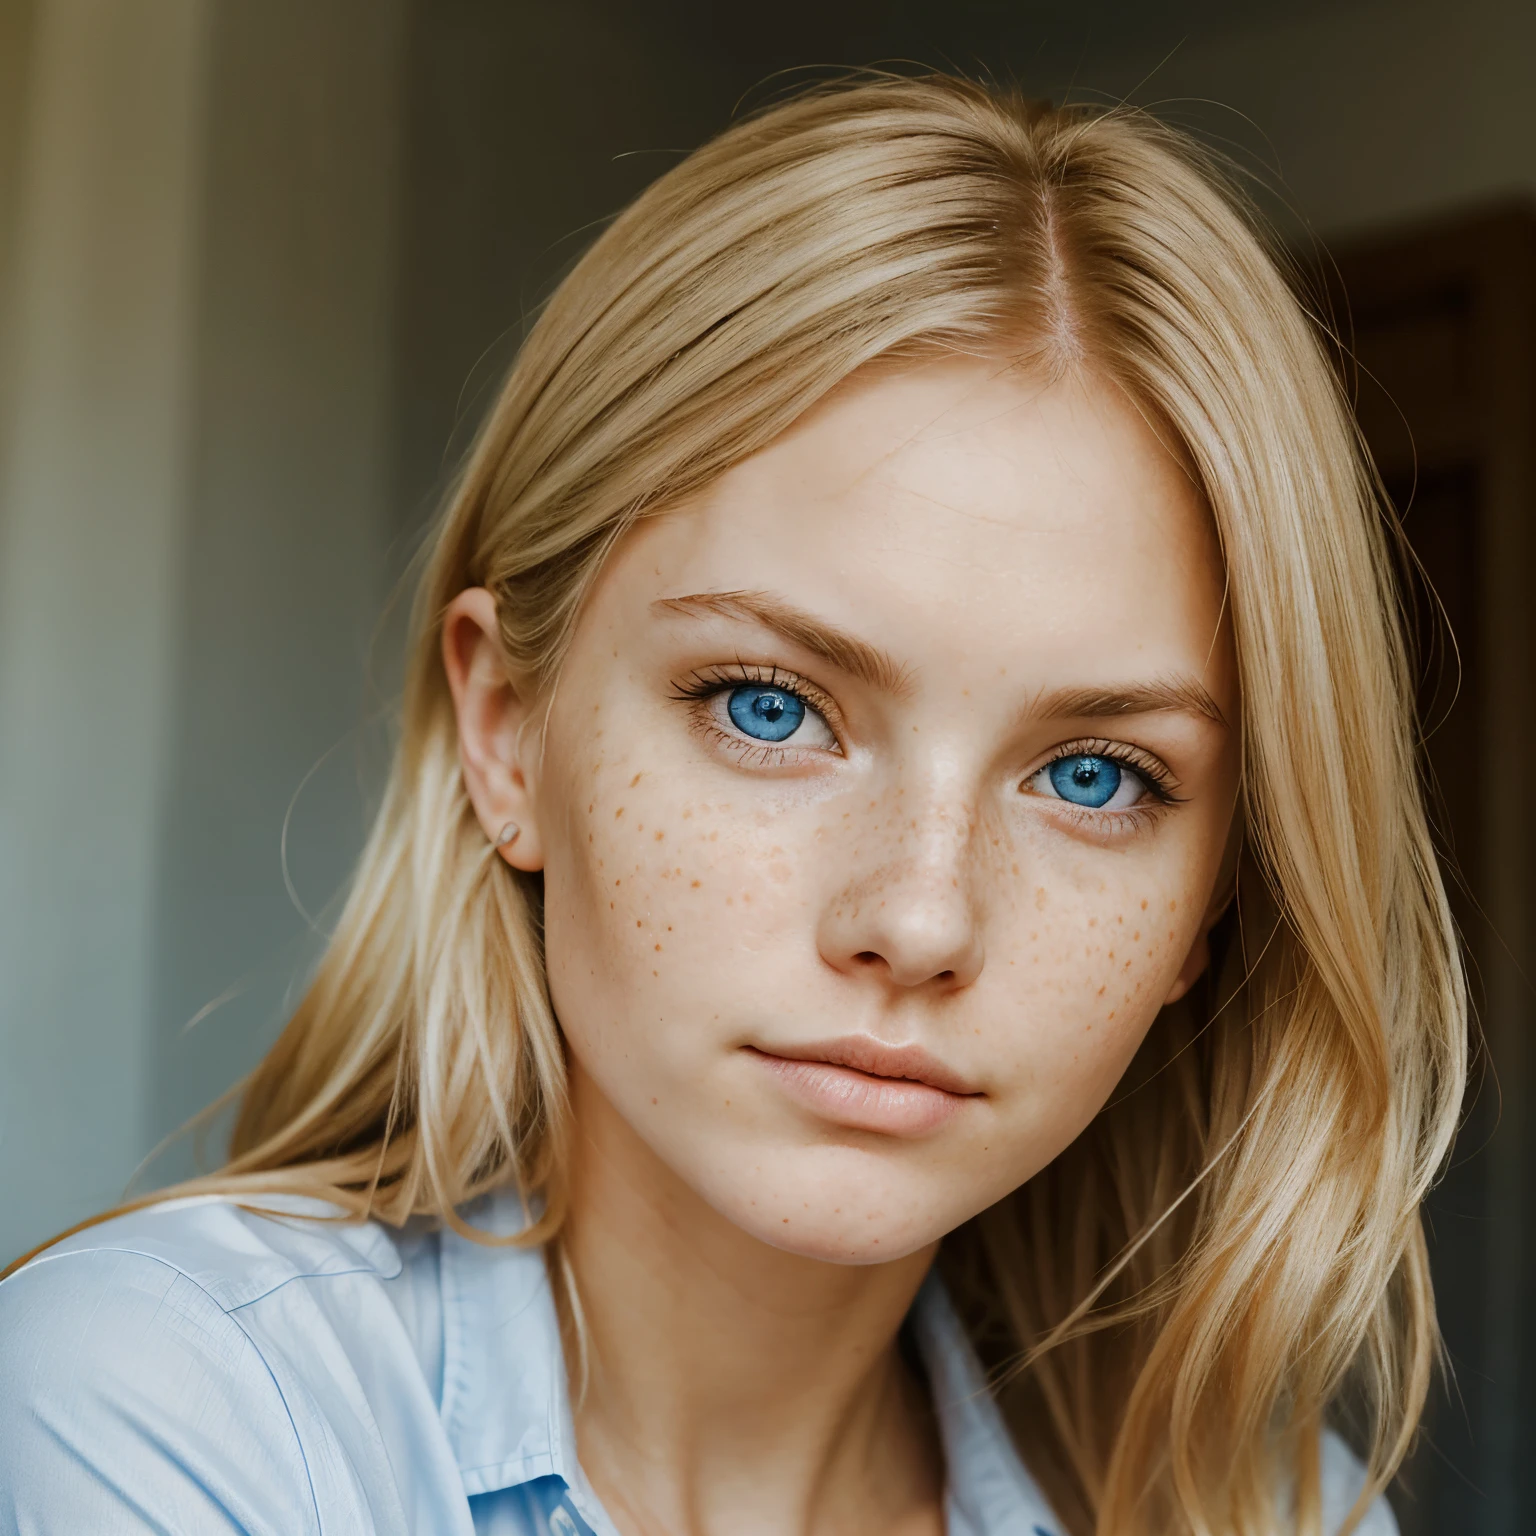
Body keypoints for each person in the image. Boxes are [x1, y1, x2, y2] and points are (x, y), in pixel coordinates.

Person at [0, 75, 1463, 1536]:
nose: (919, 915)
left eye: (1096, 777)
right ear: (507, 733)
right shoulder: (170, 1411)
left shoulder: (1275, 1518)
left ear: (1211, 904)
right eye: (770, 708)